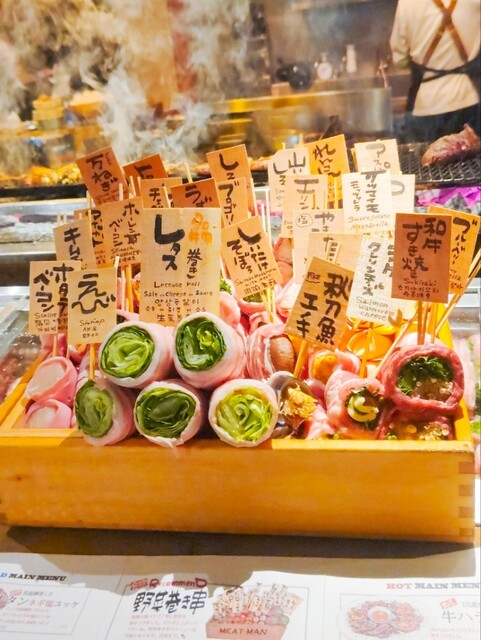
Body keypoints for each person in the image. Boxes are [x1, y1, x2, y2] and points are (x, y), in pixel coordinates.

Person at [390, 0, 480, 142]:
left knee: (425, 155)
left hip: (426, 105)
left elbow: (399, 59)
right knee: (473, 154)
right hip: (468, 101)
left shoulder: (407, 3)